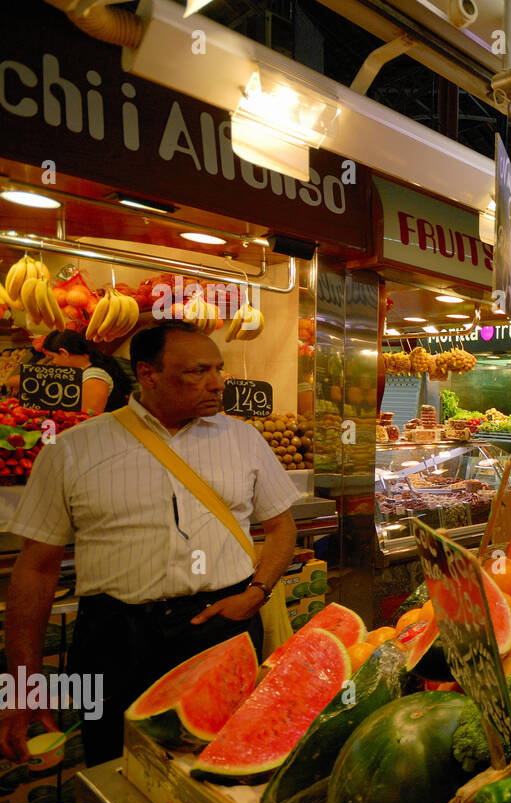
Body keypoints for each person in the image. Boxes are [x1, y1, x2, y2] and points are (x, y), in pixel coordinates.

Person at [0, 321, 300, 765]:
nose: (217, 384)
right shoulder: (72, 449)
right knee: (111, 758)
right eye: (198, 372)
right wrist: (23, 679)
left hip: (218, 627)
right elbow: (36, 568)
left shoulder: (244, 439)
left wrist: (256, 593)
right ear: (148, 374)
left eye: (217, 369)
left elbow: (282, 527)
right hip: (113, 635)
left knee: (223, 760)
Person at [39, 329, 133, 414]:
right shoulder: (89, 367)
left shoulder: (94, 378)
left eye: (52, 357)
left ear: (64, 353)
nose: (53, 363)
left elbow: (87, 418)